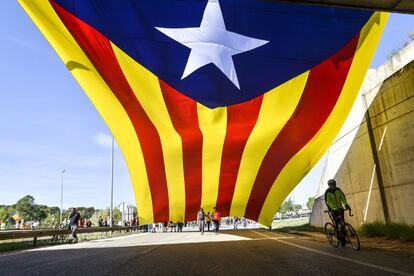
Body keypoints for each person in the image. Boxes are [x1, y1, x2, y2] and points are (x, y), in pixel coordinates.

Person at [324, 179, 350, 247]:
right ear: (329, 185)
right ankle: (338, 235)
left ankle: (343, 239)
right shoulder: (328, 192)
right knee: (337, 223)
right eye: (331, 184)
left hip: (340, 209)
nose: (333, 185)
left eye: (334, 184)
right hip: (333, 210)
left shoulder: (338, 190)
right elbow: (327, 201)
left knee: (342, 224)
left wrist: (346, 204)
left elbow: (343, 198)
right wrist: (330, 208)